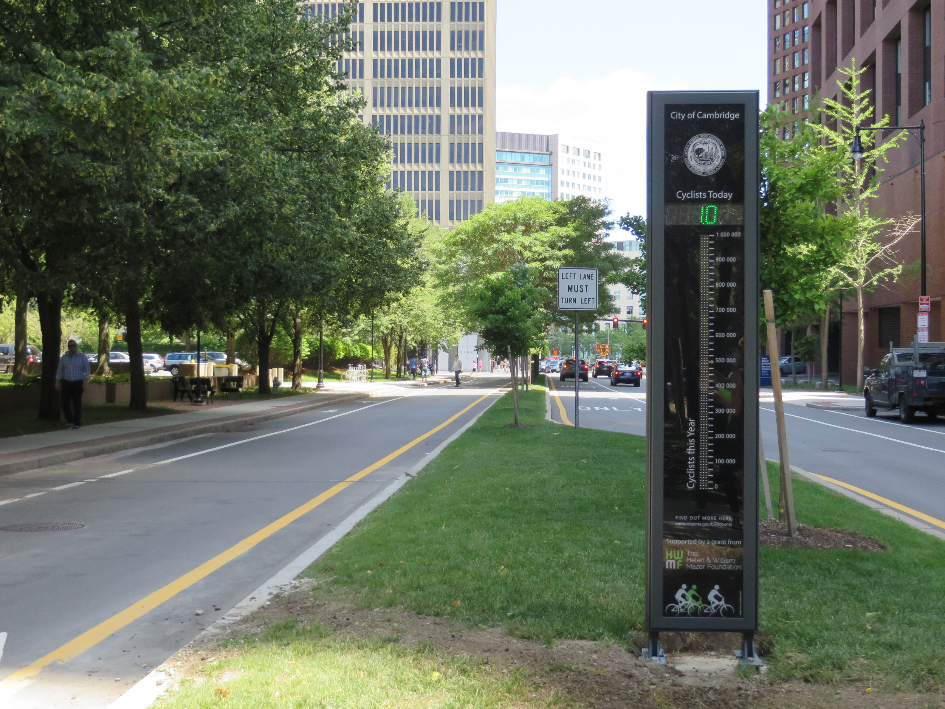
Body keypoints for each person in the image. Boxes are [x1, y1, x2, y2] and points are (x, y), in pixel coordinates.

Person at [56, 339, 91, 429]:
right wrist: (57, 382)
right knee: (65, 402)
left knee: (77, 403)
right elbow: (60, 370)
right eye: (70, 346)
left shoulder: (82, 357)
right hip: (66, 383)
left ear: (76, 346)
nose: (72, 348)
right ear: (68, 347)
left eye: (74, 346)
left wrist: (85, 382)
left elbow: (87, 370)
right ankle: (69, 420)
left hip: (78, 382)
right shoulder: (64, 357)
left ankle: (77, 422)